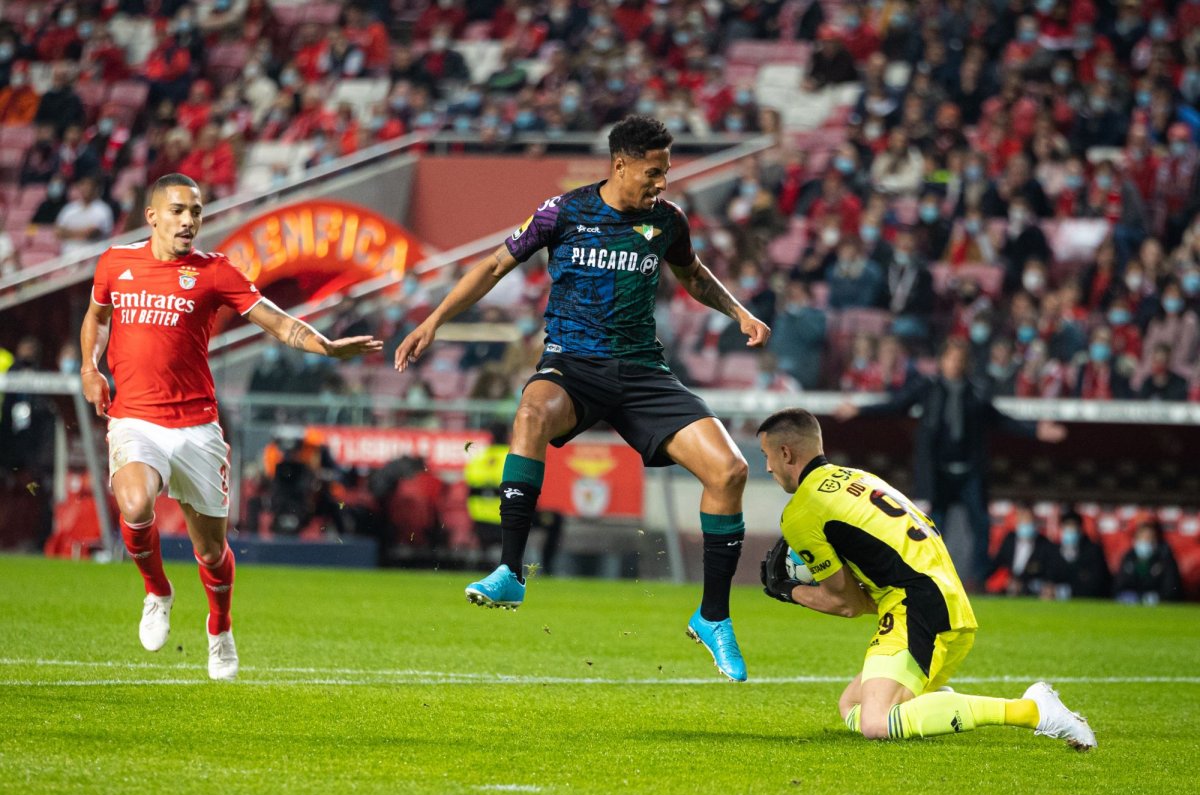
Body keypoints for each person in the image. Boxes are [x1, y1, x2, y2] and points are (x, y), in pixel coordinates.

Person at [395, 116, 770, 682]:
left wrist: (738, 311)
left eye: (666, 172)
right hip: (572, 365)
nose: (662, 182)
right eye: (654, 171)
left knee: (730, 471)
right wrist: (434, 321)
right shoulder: (563, 212)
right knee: (530, 413)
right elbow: (496, 265)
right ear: (621, 164)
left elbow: (692, 275)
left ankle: (712, 616)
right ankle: (510, 573)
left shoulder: (667, 222)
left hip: (643, 372)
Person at [80, 173, 382, 681]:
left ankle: (219, 628)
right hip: (136, 419)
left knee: (211, 551)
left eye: (196, 211)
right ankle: (157, 592)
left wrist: (325, 346)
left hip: (196, 428)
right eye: (178, 211)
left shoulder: (215, 272)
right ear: (153, 216)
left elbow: (279, 322)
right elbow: (97, 317)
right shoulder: (115, 262)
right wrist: (90, 368)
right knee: (134, 505)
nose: (189, 221)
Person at [756, 407, 1096, 749]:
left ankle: (1032, 711)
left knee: (875, 722)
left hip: (916, 605)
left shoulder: (802, 511)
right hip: (944, 600)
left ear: (785, 453)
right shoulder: (860, 478)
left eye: (767, 456)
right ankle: (928, 706)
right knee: (852, 706)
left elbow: (845, 604)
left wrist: (786, 589)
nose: (768, 467)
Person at [835, 338, 1067, 586]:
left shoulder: (975, 392)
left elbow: (1000, 420)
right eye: (952, 358)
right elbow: (896, 405)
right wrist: (860, 410)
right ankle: (933, 578)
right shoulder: (927, 388)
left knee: (980, 525)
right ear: (942, 361)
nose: (956, 364)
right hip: (937, 473)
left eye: (961, 360)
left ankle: (979, 580)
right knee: (934, 527)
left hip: (970, 471)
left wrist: (1036, 431)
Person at [463, 422, 562, 575]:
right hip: (508, 519)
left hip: (480, 523)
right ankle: (548, 567)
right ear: (509, 435)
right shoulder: (513, 458)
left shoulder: (477, 460)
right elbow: (526, 492)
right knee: (555, 519)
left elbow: (468, 491)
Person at [988, 504, 1065, 598]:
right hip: (1007, 589)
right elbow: (997, 564)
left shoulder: (1045, 545)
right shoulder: (1010, 539)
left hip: (1033, 591)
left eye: (1028, 520)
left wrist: (1025, 585)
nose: (1025, 524)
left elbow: (1049, 574)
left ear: (1034, 522)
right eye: (1022, 520)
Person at [1113, 521, 1182, 605]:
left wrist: (1159, 597)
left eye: (1149, 538)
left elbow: (1171, 586)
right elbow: (1119, 583)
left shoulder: (1164, 559)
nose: (1145, 541)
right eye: (1142, 537)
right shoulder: (1129, 557)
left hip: (1158, 603)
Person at [1056, 510, 1111, 600]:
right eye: (1067, 526)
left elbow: (1096, 580)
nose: (1069, 530)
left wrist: (1068, 591)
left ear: (1080, 529)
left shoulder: (1093, 551)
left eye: (1072, 526)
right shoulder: (1055, 550)